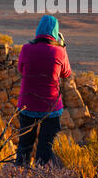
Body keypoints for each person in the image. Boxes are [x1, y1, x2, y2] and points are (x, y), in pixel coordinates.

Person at [15, 15, 72, 166]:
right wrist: (63, 46)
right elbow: (66, 73)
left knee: (24, 145)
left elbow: (21, 69)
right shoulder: (59, 51)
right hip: (50, 108)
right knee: (46, 147)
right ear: (55, 33)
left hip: (27, 105)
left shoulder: (26, 49)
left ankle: (18, 177)